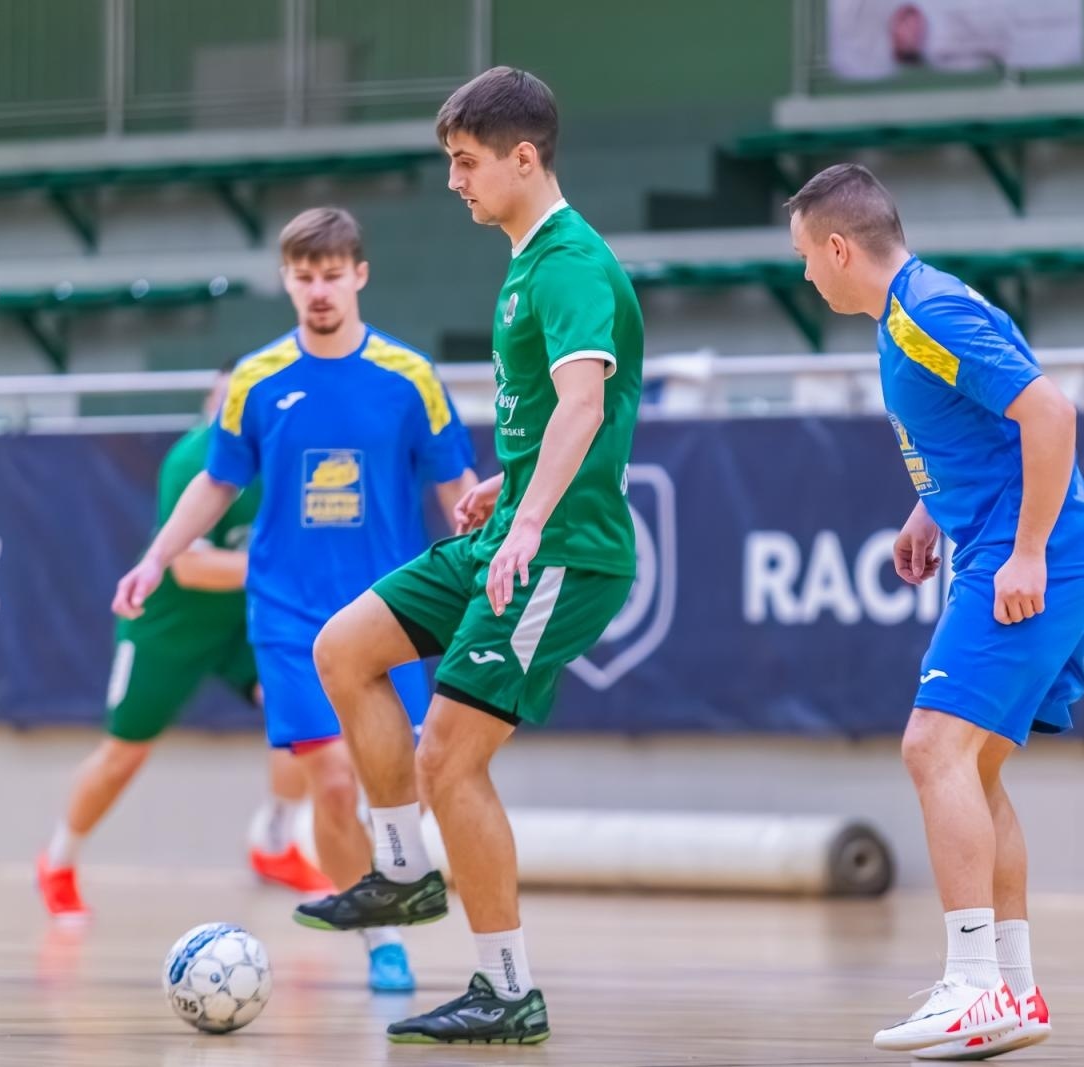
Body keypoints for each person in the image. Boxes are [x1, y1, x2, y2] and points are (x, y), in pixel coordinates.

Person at [298, 66, 643, 1045]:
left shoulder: (570, 262)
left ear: (523, 157)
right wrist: (507, 483)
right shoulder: (528, 261)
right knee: (344, 648)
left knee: (448, 758)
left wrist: (530, 521)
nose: (454, 181)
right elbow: (563, 417)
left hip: (563, 550)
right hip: (514, 526)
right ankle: (403, 870)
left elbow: (584, 401)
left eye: (466, 162)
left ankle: (505, 986)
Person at [786, 162, 1084, 1058]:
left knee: (931, 748)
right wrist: (932, 506)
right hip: (1013, 545)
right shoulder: (914, 311)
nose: (804, 274)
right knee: (976, 767)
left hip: (1033, 556)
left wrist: (1027, 551)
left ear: (840, 247)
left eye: (806, 257)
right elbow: (991, 424)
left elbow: (1049, 413)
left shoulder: (927, 313)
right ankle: (1014, 989)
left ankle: (970, 987)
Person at [111, 206, 477, 994]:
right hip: (289, 619)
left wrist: (485, 550)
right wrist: (155, 558)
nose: (319, 290)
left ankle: (401, 886)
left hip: (391, 616)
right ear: (286, 279)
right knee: (336, 782)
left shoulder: (410, 377)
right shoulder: (257, 380)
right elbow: (216, 482)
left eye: (332, 274)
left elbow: (455, 483)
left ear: (360, 275)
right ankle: (383, 938)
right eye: (304, 276)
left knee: (404, 779)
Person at [37, 360, 333, 924]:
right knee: (124, 755)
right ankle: (58, 862)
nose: (232, 414)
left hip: (243, 624)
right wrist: (273, 569)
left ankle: (274, 841)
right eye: (222, 402)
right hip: (169, 628)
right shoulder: (194, 461)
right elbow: (191, 569)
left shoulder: (292, 464)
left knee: (302, 713)